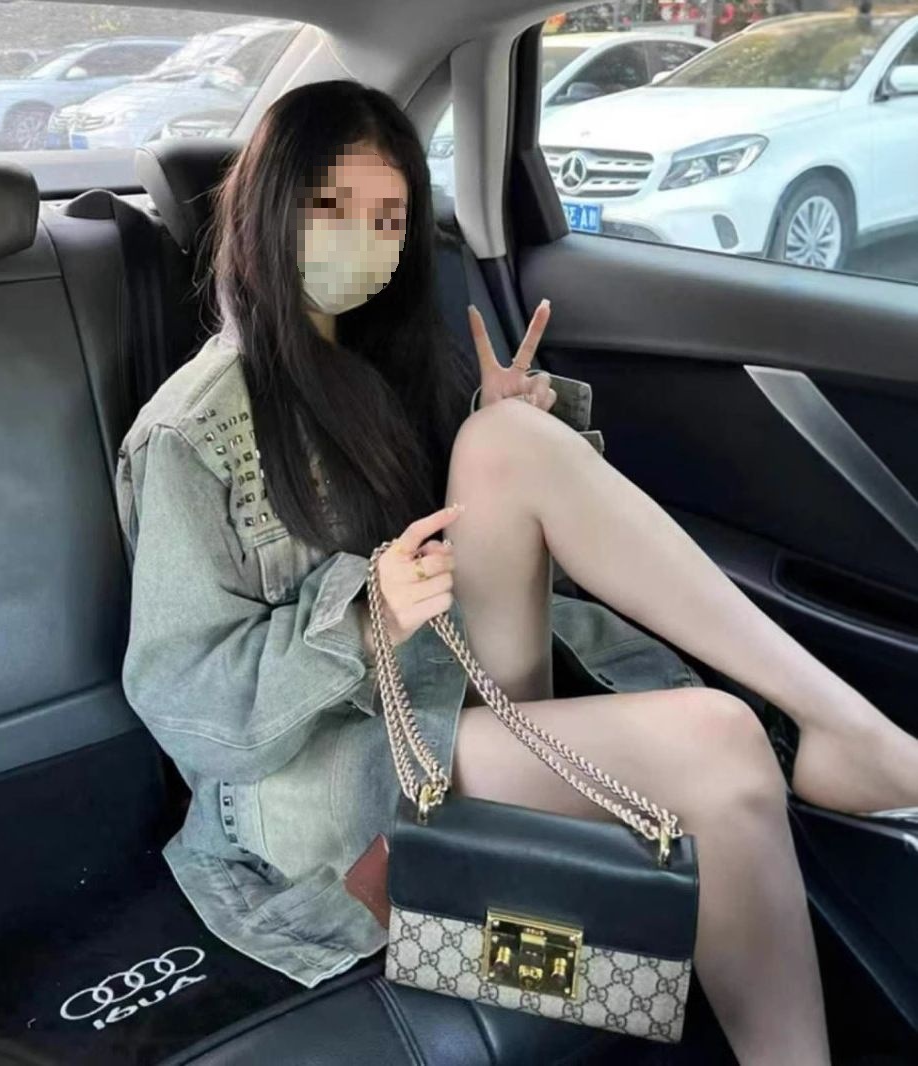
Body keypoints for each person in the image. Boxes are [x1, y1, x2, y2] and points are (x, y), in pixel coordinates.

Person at [116, 79, 917, 1063]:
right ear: (270, 204)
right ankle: (847, 769)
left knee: (503, 441)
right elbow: (183, 704)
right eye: (331, 206)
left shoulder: (390, 361)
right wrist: (363, 619)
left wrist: (500, 426)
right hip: (326, 785)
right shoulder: (191, 434)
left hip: (443, 697)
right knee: (720, 742)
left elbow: (479, 560)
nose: (363, 239)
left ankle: (847, 732)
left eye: (390, 218)